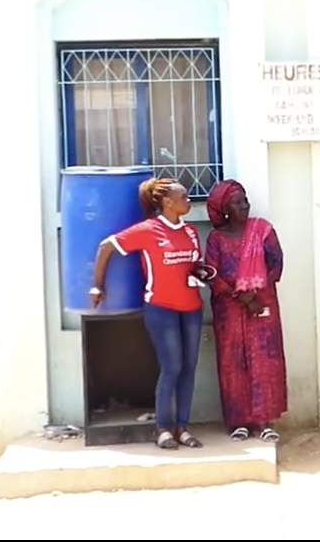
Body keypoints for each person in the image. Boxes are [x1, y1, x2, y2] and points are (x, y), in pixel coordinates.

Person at [90, 177, 210, 450]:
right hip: (161, 309)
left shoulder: (190, 231)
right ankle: (163, 429)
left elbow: (193, 264)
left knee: (188, 369)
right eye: (183, 196)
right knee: (172, 368)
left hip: (191, 308)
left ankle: (183, 428)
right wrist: (97, 285)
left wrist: (201, 272)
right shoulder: (148, 230)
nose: (189, 200)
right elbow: (106, 246)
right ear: (168, 202)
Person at [205, 180, 288, 442]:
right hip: (229, 310)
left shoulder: (263, 230)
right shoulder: (216, 239)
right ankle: (238, 422)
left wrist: (255, 290)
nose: (244, 206)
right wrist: (239, 295)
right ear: (224, 209)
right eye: (237, 202)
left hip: (262, 304)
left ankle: (264, 421)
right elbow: (211, 273)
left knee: (264, 361)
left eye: (245, 200)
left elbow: (276, 264)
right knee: (233, 362)